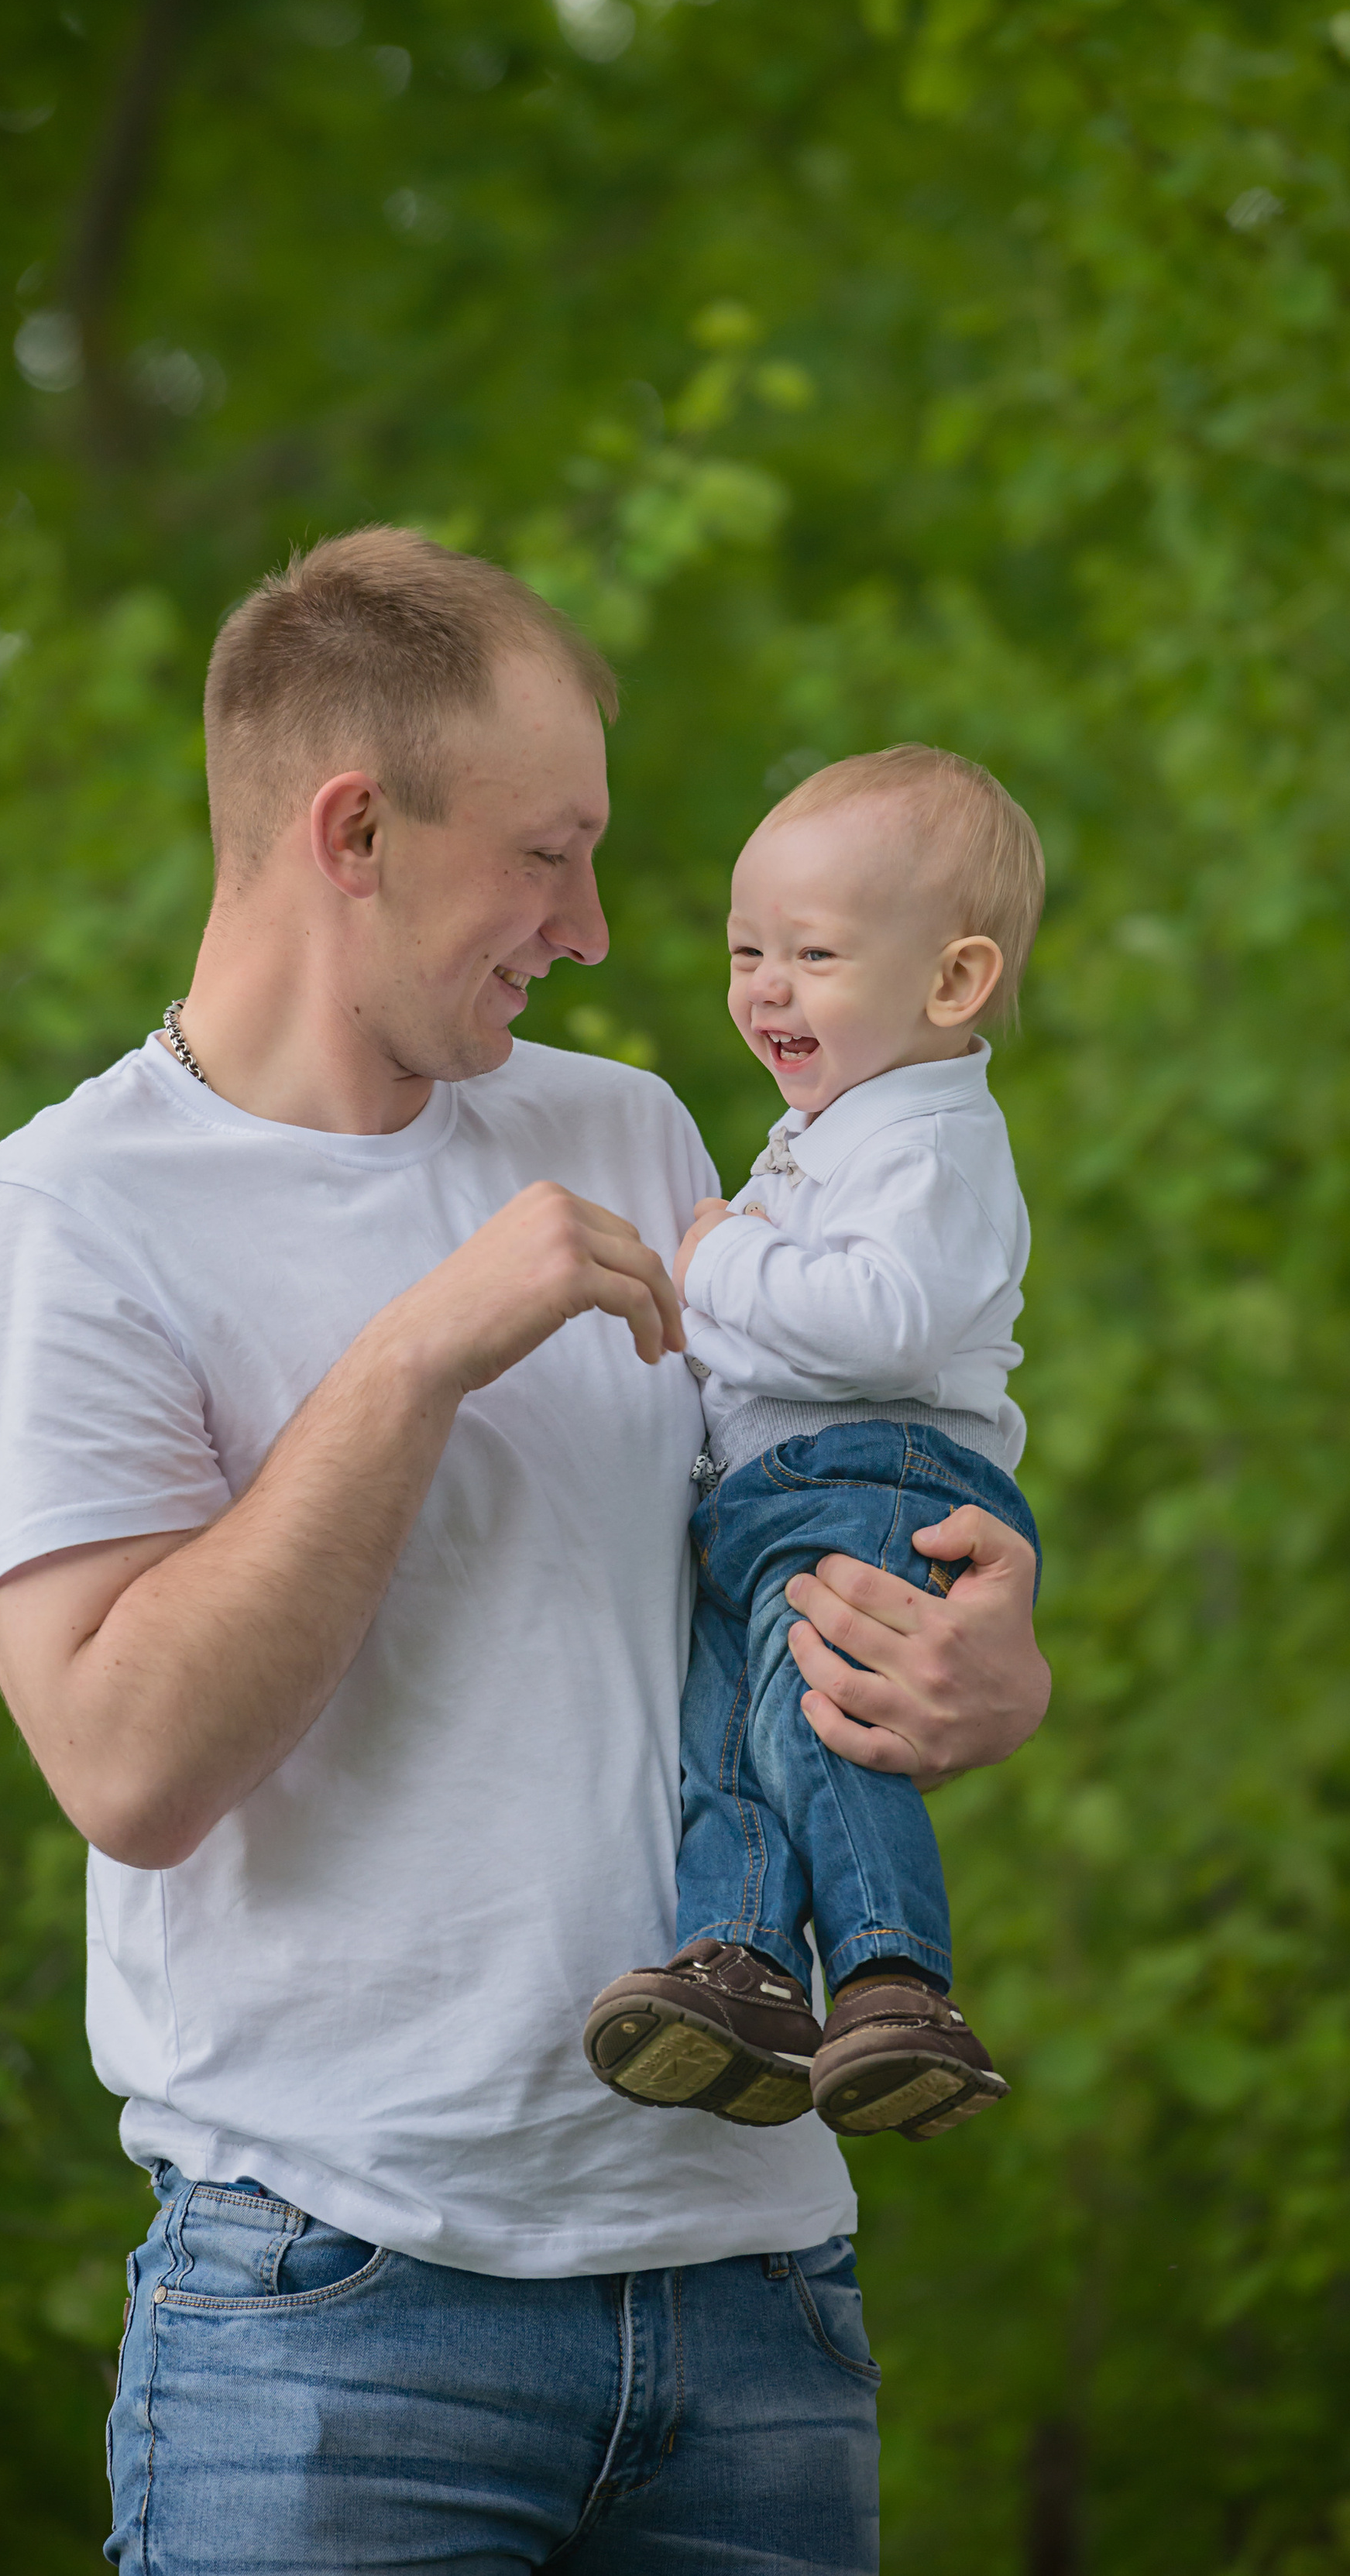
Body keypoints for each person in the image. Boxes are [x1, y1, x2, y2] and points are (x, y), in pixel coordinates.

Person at [0, 529, 1049, 2575]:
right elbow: (128, 1763)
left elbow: (772, 1556)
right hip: (339, 2338)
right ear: (355, 829)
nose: (597, 929)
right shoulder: (60, 1220)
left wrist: (976, 1652)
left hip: (759, 2299)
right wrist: (420, 1347)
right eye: (551, 854)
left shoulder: (623, 1133)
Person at [583, 748, 1042, 2147]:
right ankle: (739, 1964)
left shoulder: (932, 1143)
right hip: (779, 1492)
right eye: (745, 953)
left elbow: (887, 1325)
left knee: (822, 1715)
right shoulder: (833, 1125)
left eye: (813, 954)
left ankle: (897, 1980)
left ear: (952, 984)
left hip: (876, 1471)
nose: (764, 986)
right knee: (728, 1737)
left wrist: (715, 1264)